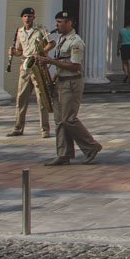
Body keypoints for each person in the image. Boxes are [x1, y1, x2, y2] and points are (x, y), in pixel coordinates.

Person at [37, 11, 102, 165]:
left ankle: (92, 146)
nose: (56, 25)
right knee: (60, 121)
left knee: (69, 119)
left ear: (69, 23)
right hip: (60, 81)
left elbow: (75, 66)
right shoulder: (61, 38)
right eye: (57, 22)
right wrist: (52, 79)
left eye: (60, 22)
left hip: (71, 83)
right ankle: (63, 154)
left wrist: (50, 62)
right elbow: (62, 62)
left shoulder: (76, 42)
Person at [7, 6, 52, 138]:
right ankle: (18, 127)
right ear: (22, 18)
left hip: (38, 65)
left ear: (34, 17)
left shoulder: (40, 29)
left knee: (42, 99)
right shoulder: (19, 31)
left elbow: (51, 43)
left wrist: (42, 52)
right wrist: (13, 52)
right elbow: (19, 51)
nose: (27, 19)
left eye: (30, 16)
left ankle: (45, 129)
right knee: (21, 98)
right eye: (25, 16)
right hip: (26, 66)